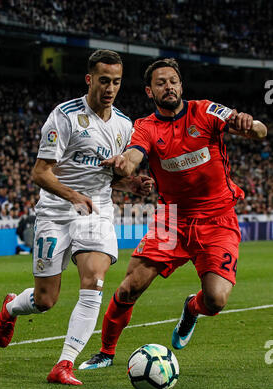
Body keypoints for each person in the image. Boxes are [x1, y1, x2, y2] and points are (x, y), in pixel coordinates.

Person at [78, 57, 267, 370]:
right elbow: (135, 154)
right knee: (130, 287)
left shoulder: (205, 111)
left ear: (182, 86)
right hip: (172, 220)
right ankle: (106, 353)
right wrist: (125, 162)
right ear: (150, 91)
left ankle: (191, 310)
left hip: (217, 219)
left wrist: (251, 124)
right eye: (161, 83)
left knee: (216, 301)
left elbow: (257, 130)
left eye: (173, 81)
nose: (169, 87)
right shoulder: (146, 126)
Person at [0, 49, 153, 385]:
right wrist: (72, 196)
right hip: (56, 213)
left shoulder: (125, 126)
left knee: (94, 279)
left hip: (96, 213)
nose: (110, 88)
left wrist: (133, 185)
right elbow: (40, 173)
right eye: (104, 80)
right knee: (45, 299)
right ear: (89, 79)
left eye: (117, 82)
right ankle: (11, 307)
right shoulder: (64, 117)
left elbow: (112, 178)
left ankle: (63, 364)